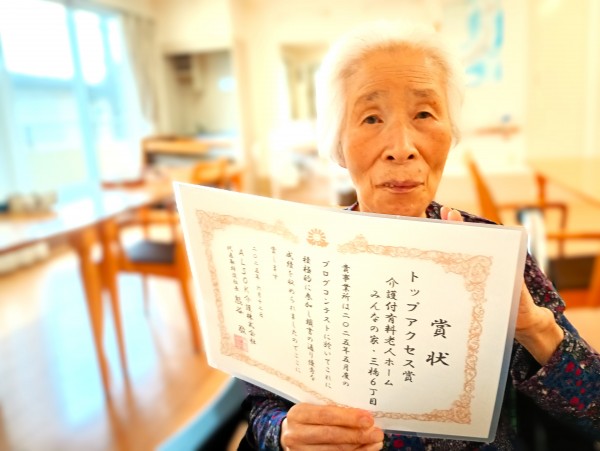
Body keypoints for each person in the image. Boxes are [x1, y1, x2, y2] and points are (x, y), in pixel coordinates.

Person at [240, 20, 600, 450]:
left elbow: (595, 411)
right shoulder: (299, 258)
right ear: (338, 143)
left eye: (424, 114)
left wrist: (535, 329)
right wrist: (284, 433)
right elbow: (262, 407)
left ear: (450, 133)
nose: (401, 147)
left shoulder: (494, 256)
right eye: (371, 118)